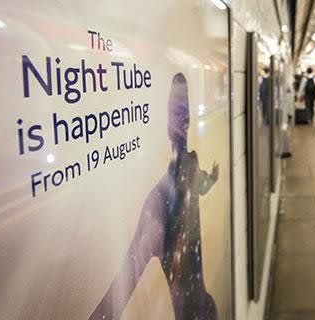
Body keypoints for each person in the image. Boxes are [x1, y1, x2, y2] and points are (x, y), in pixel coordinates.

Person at [90, 73, 219, 320]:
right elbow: (120, 290)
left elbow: (201, 185)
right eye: (176, 112)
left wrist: (212, 178)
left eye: (185, 112)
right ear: (164, 123)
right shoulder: (158, 202)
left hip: (207, 309)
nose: (184, 121)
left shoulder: (192, 162)